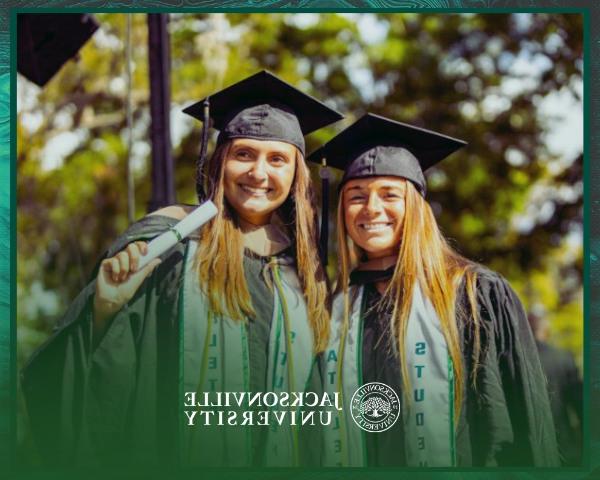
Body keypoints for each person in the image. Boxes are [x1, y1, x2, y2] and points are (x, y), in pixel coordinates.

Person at [21, 71, 343, 467]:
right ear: (220, 161)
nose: (259, 173)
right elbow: (86, 373)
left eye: (277, 159)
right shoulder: (169, 239)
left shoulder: (306, 267)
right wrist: (105, 309)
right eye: (244, 154)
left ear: (296, 175)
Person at [309, 113, 560, 467]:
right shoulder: (335, 307)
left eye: (389, 194)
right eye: (356, 196)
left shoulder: (474, 295)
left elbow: (521, 423)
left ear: (416, 206)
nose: (372, 208)